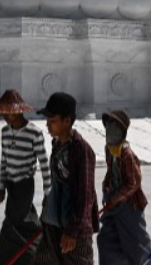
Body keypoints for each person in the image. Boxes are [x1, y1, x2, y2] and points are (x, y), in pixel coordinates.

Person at [0, 89, 50, 265]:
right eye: (3, 113)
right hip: (11, 185)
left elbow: (44, 163)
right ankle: (32, 252)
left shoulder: (34, 133)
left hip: (25, 184)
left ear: (19, 111)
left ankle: (23, 254)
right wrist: (1, 188)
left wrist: (48, 192)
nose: (5, 117)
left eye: (8, 113)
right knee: (21, 221)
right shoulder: (5, 132)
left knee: (13, 223)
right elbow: (4, 162)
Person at [37, 91, 98, 265]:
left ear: (67, 121)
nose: (48, 125)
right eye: (47, 121)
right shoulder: (56, 145)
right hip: (51, 225)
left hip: (74, 231)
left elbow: (85, 196)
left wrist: (72, 231)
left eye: (52, 121)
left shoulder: (81, 150)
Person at [97, 110, 151, 265]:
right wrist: (106, 188)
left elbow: (133, 183)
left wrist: (117, 198)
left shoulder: (127, 154)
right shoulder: (109, 150)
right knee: (106, 239)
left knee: (136, 243)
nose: (109, 131)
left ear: (122, 132)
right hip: (113, 201)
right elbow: (110, 171)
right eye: (107, 127)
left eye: (113, 128)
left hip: (129, 204)